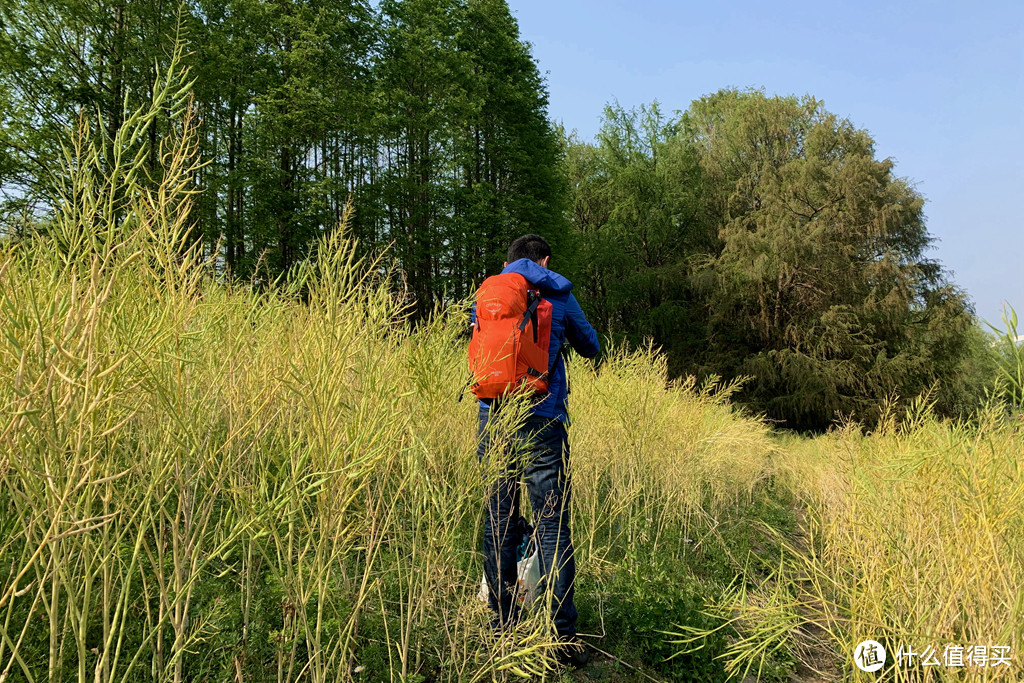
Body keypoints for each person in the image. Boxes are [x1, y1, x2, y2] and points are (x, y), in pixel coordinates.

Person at [474, 234, 599, 668]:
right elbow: (591, 346)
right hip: (544, 417)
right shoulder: (558, 292)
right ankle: (562, 639)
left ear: (509, 263)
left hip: (493, 417)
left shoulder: (489, 294)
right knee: (551, 527)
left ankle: (501, 629)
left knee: (498, 522)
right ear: (543, 260)